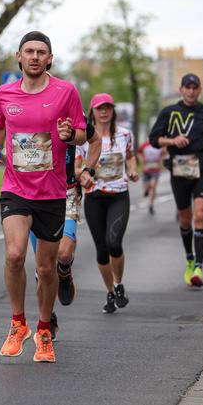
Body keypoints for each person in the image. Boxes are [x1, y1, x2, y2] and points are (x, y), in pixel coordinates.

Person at [0, 31, 86, 363]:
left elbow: (83, 132)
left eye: (41, 52)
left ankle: (44, 328)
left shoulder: (65, 92)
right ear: (18, 56)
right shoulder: (4, 93)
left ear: (50, 59)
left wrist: (70, 134)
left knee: (45, 269)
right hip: (15, 187)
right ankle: (18, 323)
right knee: (14, 255)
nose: (34, 57)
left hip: (52, 192)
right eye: (29, 51)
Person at [28, 117, 101, 339]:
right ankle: (46, 319)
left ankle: (65, 272)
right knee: (43, 268)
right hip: (32, 193)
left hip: (66, 191)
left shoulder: (72, 115)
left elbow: (95, 140)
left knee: (63, 252)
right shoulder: (25, 112)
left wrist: (88, 170)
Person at [149, 73, 203, 288]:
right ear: (181, 89)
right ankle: (189, 258)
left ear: (199, 90)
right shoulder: (169, 112)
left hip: (202, 166)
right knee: (185, 218)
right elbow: (154, 140)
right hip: (180, 168)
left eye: (195, 87)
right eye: (187, 87)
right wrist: (172, 140)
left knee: (200, 214)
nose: (191, 91)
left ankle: (199, 266)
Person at [80, 93, 139, 313]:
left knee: (114, 242)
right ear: (92, 111)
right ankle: (110, 292)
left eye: (108, 108)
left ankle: (118, 283)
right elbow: (77, 166)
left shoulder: (124, 134)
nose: (104, 112)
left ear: (113, 111)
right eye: (99, 108)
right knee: (102, 249)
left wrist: (132, 170)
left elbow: (131, 156)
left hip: (118, 196)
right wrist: (83, 173)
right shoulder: (85, 138)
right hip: (94, 197)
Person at [137, 139, 164, 215]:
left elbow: (163, 154)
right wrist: (142, 161)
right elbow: (139, 152)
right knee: (147, 187)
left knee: (153, 186)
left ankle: (151, 205)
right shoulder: (145, 144)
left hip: (156, 169)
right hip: (147, 169)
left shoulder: (159, 144)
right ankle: (146, 190)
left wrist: (160, 161)